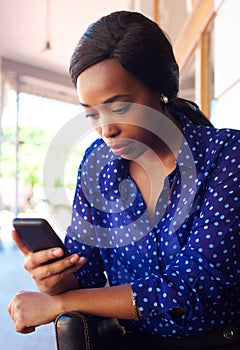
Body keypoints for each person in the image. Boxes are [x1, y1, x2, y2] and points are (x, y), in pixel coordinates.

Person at [8, 10, 240, 349]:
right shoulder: (97, 165)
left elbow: (191, 287)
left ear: (161, 91)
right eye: (90, 113)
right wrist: (55, 278)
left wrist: (60, 304)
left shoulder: (226, 156)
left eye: (119, 108)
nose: (105, 129)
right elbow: (85, 269)